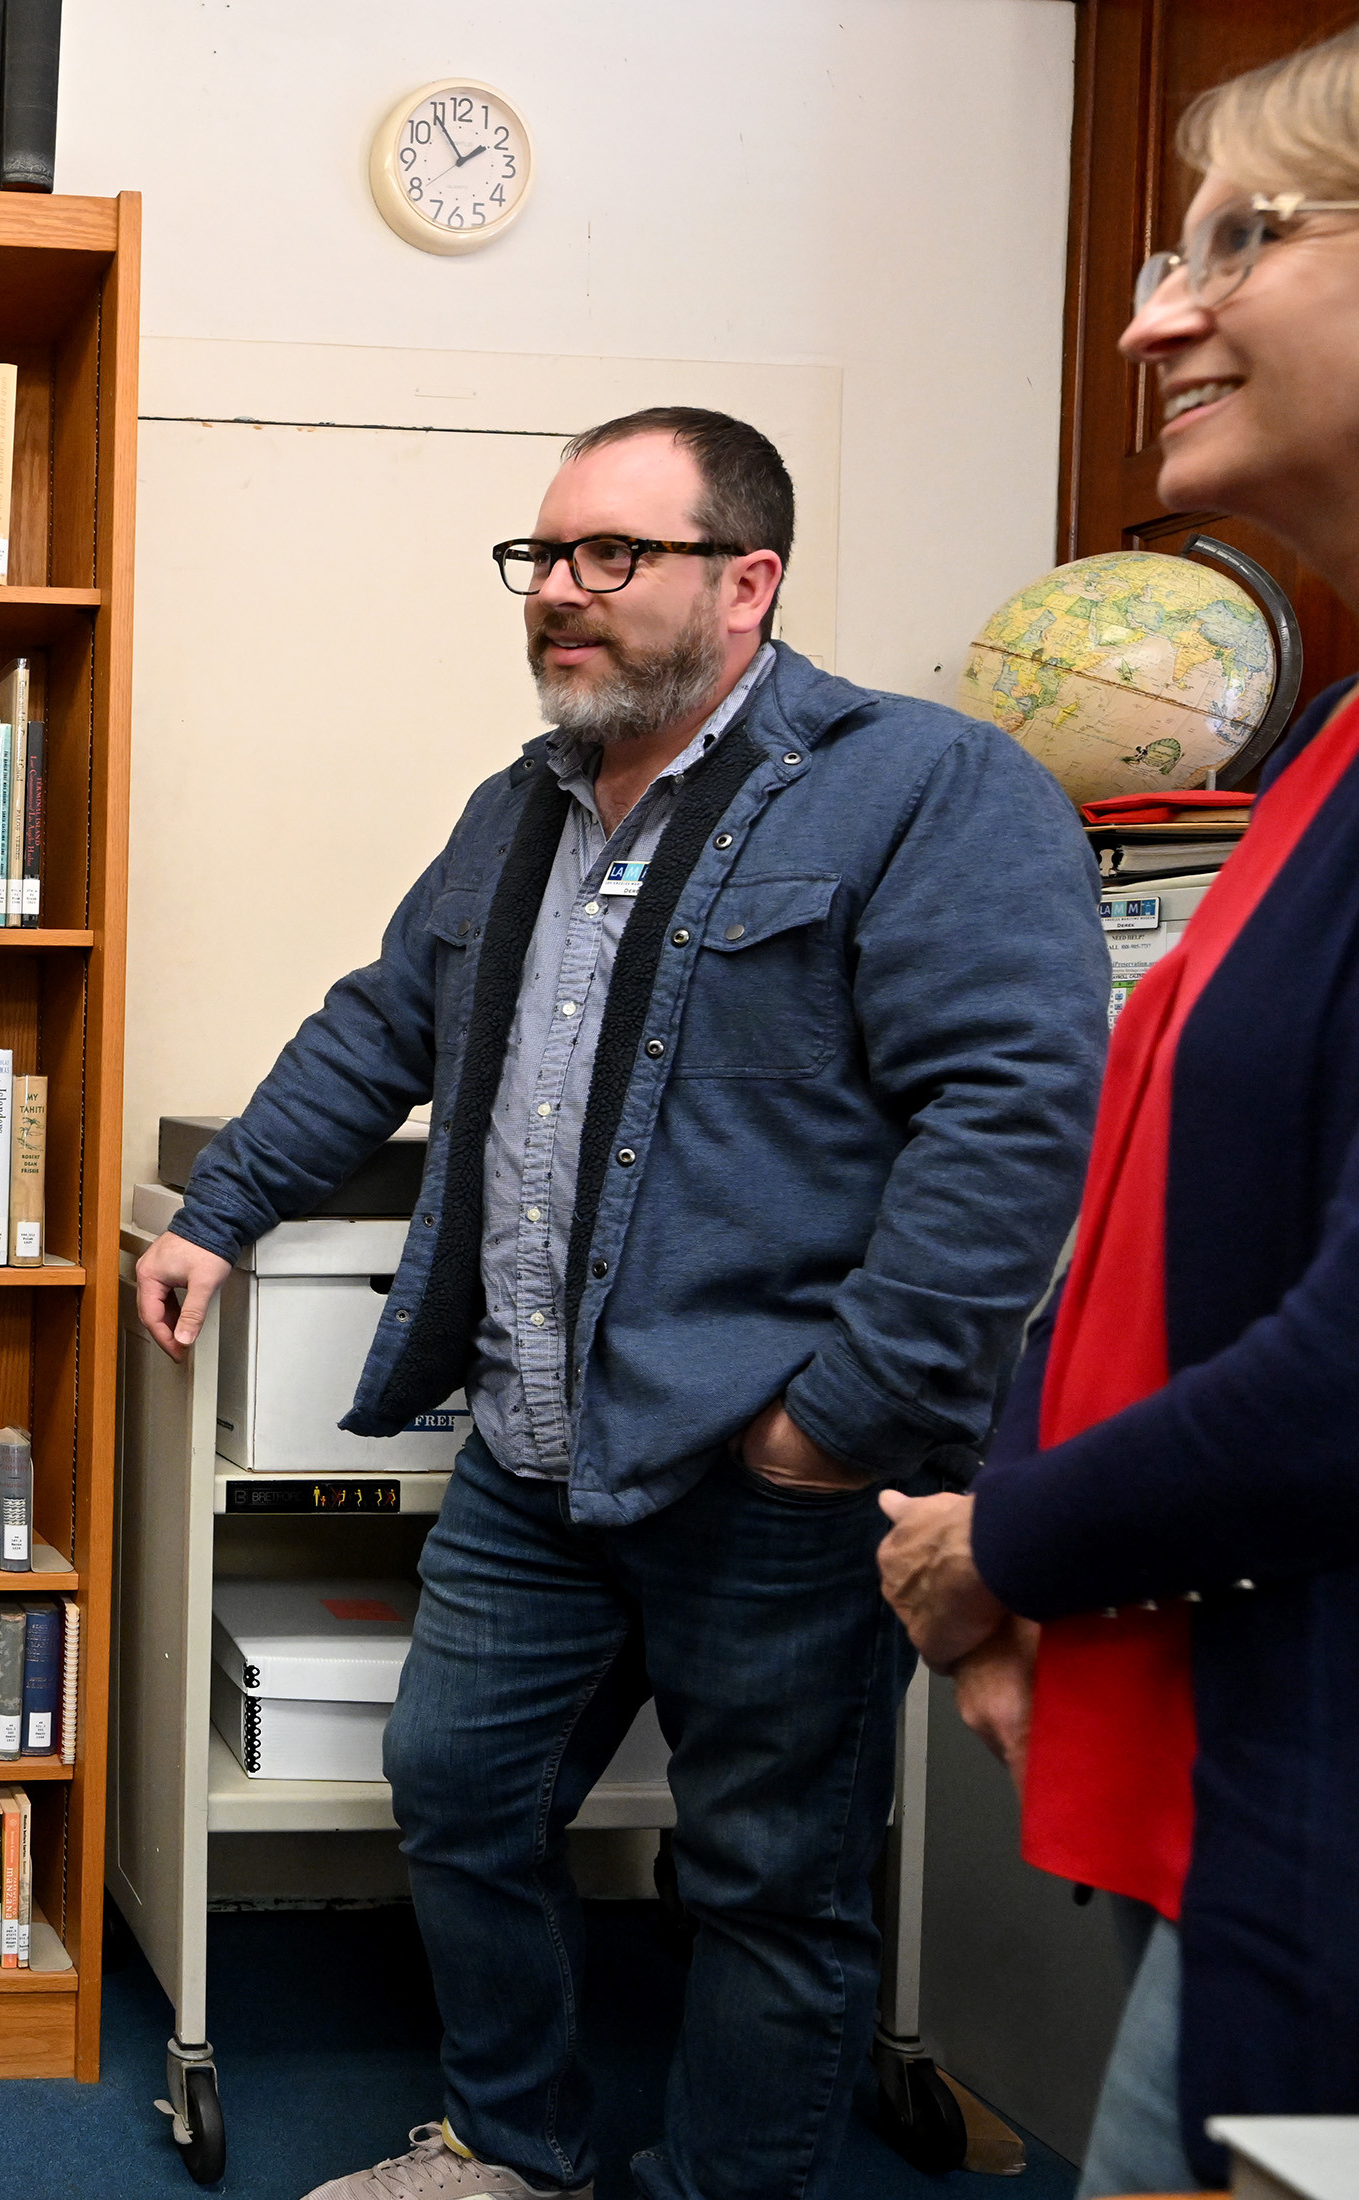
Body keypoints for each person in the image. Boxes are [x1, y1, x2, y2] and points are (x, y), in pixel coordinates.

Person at [137, 407, 1109, 2200]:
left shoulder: (930, 789)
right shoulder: (522, 807)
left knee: (770, 1885)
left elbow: (1014, 1123)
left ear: (749, 581)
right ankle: (520, 2150)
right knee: (457, 1792)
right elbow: (382, 1022)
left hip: (778, 1472)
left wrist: (843, 1418)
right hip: (534, 1440)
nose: (558, 595)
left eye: (610, 557)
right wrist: (227, 1206)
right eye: (542, 558)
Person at [877, 26, 1359, 2194]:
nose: (1154, 313)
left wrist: (1009, 1543)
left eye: (1242, 239)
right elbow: (1148, 1171)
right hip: (1264, 1767)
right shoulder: (1334, 747)